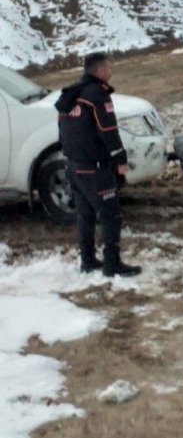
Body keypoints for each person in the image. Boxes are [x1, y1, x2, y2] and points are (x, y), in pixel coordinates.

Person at [55, 52, 141, 277]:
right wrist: (120, 160)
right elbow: (109, 131)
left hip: (73, 166)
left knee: (85, 215)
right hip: (95, 167)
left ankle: (88, 260)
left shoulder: (70, 95)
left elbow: (62, 131)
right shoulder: (97, 96)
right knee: (110, 214)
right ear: (101, 70)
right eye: (108, 67)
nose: (110, 71)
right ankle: (112, 264)